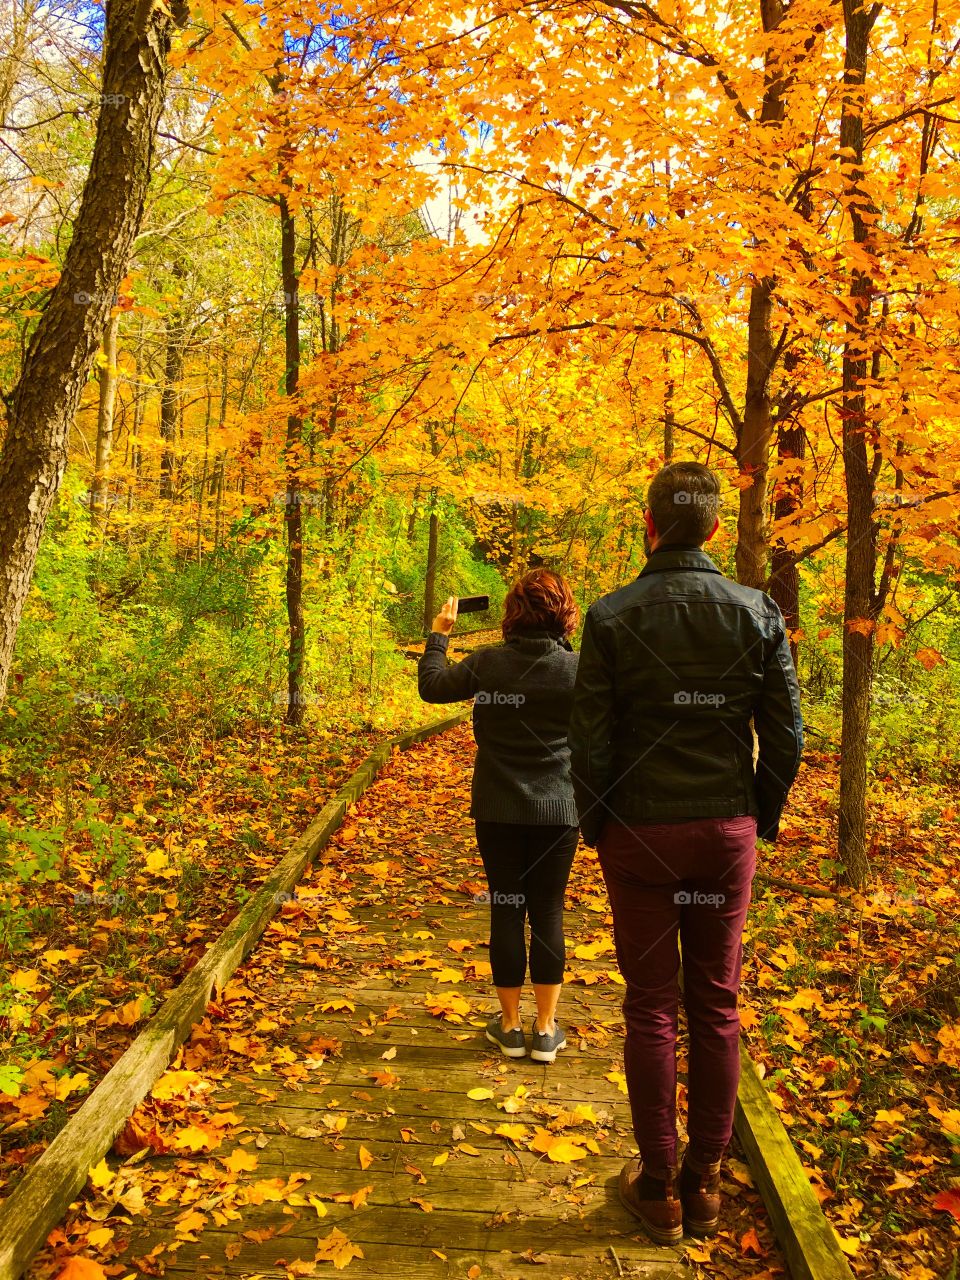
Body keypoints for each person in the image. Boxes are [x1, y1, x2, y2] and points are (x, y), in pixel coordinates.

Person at [568, 460, 803, 1244]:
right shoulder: (757, 611)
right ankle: (704, 1185)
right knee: (716, 1004)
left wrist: (599, 825)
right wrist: (755, 816)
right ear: (713, 527)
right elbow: (788, 735)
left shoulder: (610, 616)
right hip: (723, 829)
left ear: (649, 524)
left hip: (640, 831)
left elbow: (590, 739)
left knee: (650, 1007)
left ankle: (660, 1184)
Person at [418, 568, 580, 1063]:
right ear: (563, 614)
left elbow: (433, 687)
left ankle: (510, 1027)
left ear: (513, 613)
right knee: (548, 910)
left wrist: (439, 636)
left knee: (507, 907)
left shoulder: (489, 663)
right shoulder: (579, 669)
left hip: (497, 806)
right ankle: (546, 1030)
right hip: (559, 809)